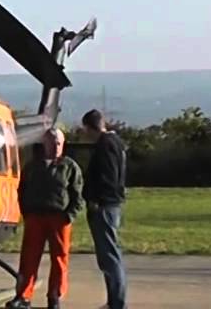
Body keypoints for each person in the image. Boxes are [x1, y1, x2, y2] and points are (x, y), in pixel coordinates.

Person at [12, 127, 83, 309]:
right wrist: (25, 212)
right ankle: (23, 297)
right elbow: (22, 190)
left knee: (59, 259)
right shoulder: (32, 166)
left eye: (59, 143)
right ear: (44, 143)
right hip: (35, 217)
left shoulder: (69, 166)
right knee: (29, 258)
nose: (56, 146)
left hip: (59, 218)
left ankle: (54, 297)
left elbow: (78, 194)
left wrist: (69, 215)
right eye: (52, 142)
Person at [82, 108, 128, 309]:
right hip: (110, 205)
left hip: (104, 207)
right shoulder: (116, 143)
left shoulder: (105, 146)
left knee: (109, 257)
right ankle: (113, 301)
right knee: (108, 256)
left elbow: (107, 177)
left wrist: (96, 199)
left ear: (91, 128)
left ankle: (117, 303)